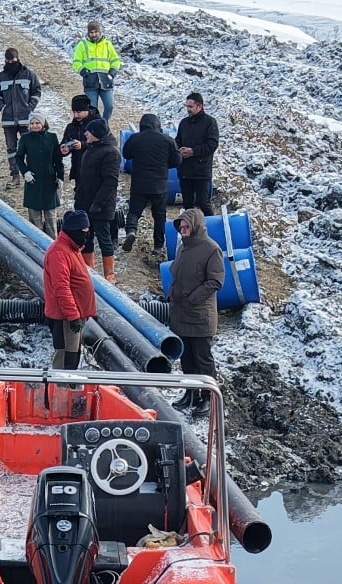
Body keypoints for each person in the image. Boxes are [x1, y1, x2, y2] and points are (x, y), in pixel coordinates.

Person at [167, 208, 224, 417]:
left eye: (186, 226)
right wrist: (173, 293)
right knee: (187, 357)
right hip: (181, 313)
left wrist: (193, 298)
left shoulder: (211, 249)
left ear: (196, 226)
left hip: (199, 315)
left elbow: (215, 281)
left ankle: (208, 397)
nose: (182, 230)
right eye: (180, 227)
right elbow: (177, 273)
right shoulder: (183, 248)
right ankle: (191, 392)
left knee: (203, 358)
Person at [43, 210, 98, 370]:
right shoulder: (60, 253)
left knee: (73, 356)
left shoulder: (72, 248)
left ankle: (67, 386)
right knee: (66, 357)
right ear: (75, 231)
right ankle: (60, 389)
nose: (86, 236)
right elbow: (61, 288)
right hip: (65, 318)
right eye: (84, 232)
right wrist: (73, 316)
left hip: (73, 316)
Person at [121, 113, 182, 253]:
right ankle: (158, 245)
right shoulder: (167, 140)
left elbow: (126, 154)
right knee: (159, 215)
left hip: (139, 183)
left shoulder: (135, 138)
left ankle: (131, 231)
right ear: (158, 125)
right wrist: (165, 164)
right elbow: (177, 161)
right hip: (159, 185)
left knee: (134, 211)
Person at [74, 118, 120, 282]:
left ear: (97, 135)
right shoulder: (90, 150)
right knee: (87, 238)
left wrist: (98, 204)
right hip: (86, 204)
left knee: (104, 239)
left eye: (89, 131)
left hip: (101, 206)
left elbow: (110, 182)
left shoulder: (110, 153)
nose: (85, 133)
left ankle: (109, 275)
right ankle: (89, 271)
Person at [0, 48, 42, 188]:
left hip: (26, 119)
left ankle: (33, 173)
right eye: (8, 61)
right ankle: (15, 176)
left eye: (13, 61)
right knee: (11, 149)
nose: (11, 63)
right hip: (8, 120)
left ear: (18, 59)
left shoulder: (29, 75)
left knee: (30, 147)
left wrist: (30, 107)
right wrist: (2, 108)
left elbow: (36, 91)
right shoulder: (1, 77)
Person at [16, 111, 64, 236]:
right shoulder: (25, 138)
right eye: (32, 123)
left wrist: (60, 176)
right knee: (35, 220)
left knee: (51, 220)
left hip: (49, 181)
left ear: (43, 124)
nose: (34, 126)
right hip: (33, 181)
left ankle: (52, 246)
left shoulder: (52, 137)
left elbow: (58, 159)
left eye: (37, 123)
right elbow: (19, 157)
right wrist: (25, 172)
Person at [175, 92, 219, 217]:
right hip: (185, 171)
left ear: (200, 106)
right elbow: (178, 140)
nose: (187, 110)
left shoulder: (210, 122)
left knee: (203, 203)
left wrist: (193, 151)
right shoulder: (184, 123)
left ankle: (213, 229)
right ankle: (191, 232)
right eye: (186, 106)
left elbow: (212, 145)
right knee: (188, 204)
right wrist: (178, 150)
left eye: (190, 107)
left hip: (201, 171)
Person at [71, 21, 122, 123]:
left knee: (110, 106)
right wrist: (83, 71)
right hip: (90, 81)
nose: (94, 34)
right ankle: (93, 128)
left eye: (96, 32)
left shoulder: (107, 44)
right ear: (88, 33)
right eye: (91, 32)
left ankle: (104, 125)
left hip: (106, 80)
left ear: (100, 32)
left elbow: (116, 60)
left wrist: (112, 73)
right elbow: (76, 62)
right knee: (92, 109)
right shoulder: (83, 45)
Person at [59, 94, 100, 188]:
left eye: (78, 112)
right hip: (79, 170)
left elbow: (106, 144)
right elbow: (63, 143)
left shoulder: (99, 124)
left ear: (87, 110)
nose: (76, 115)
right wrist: (64, 149)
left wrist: (83, 145)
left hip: (96, 170)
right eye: (74, 112)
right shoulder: (71, 127)